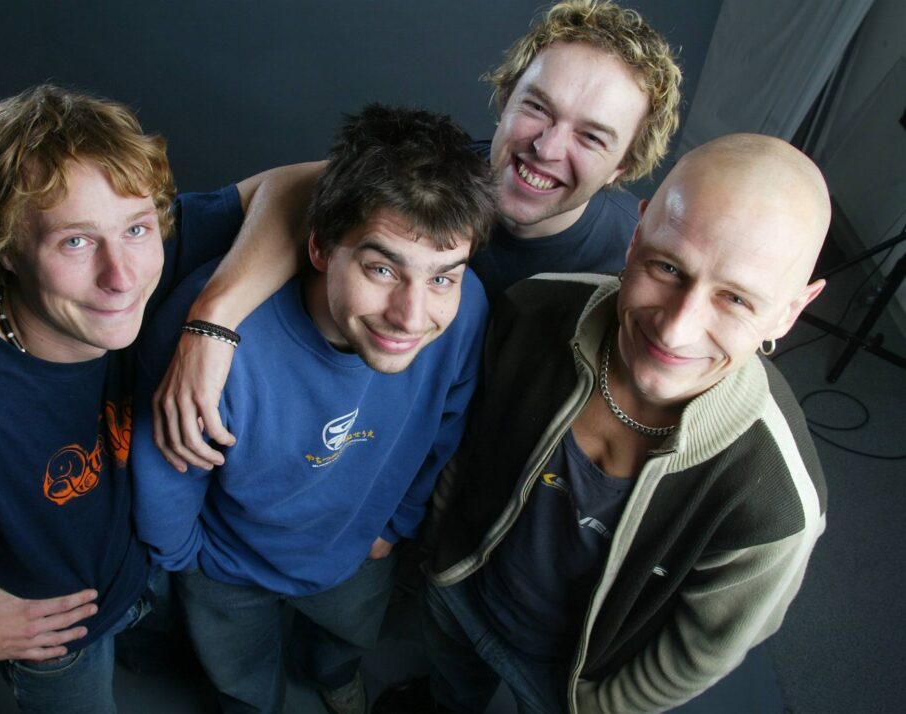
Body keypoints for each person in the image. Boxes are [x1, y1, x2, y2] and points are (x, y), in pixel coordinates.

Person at [0, 84, 306, 713]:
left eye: (137, 228)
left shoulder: (139, 259)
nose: (122, 277)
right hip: (60, 638)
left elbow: (311, 183)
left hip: (148, 558)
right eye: (75, 242)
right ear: (6, 249)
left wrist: (213, 323)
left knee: (166, 649)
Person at [386, 133, 829, 713]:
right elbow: (470, 452)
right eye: (667, 267)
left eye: (737, 300)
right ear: (635, 235)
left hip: (574, 683)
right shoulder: (532, 311)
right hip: (463, 592)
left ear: (791, 311)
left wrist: (596, 708)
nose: (675, 330)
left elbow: (700, 650)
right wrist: (439, 559)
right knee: (449, 693)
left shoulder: (778, 501)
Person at [151, 0, 683, 471]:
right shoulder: (434, 173)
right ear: (505, 96)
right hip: (351, 456)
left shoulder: (629, 263)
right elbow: (302, 187)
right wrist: (213, 321)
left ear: (624, 166)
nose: (546, 148)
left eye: (591, 137)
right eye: (537, 108)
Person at [130, 104, 496, 714]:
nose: (411, 317)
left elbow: (447, 424)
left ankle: (332, 675)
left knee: (343, 643)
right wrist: (189, 560)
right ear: (321, 248)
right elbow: (167, 466)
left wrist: (394, 525)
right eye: (382, 269)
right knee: (240, 676)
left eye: (442, 278)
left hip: (358, 551)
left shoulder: (465, 311)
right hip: (228, 564)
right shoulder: (210, 340)